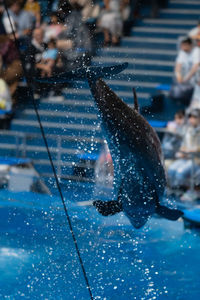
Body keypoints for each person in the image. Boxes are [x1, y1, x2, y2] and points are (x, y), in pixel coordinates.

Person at [167, 109, 200, 199]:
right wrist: (183, 152)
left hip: (196, 160)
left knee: (180, 172)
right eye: (190, 117)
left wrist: (192, 151)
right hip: (185, 158)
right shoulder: (188, 130)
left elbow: (197, 148)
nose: (191, 119)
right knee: (171, 170)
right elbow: (183, 145)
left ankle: (187, 190)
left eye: (194, 117)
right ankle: (174, 190)